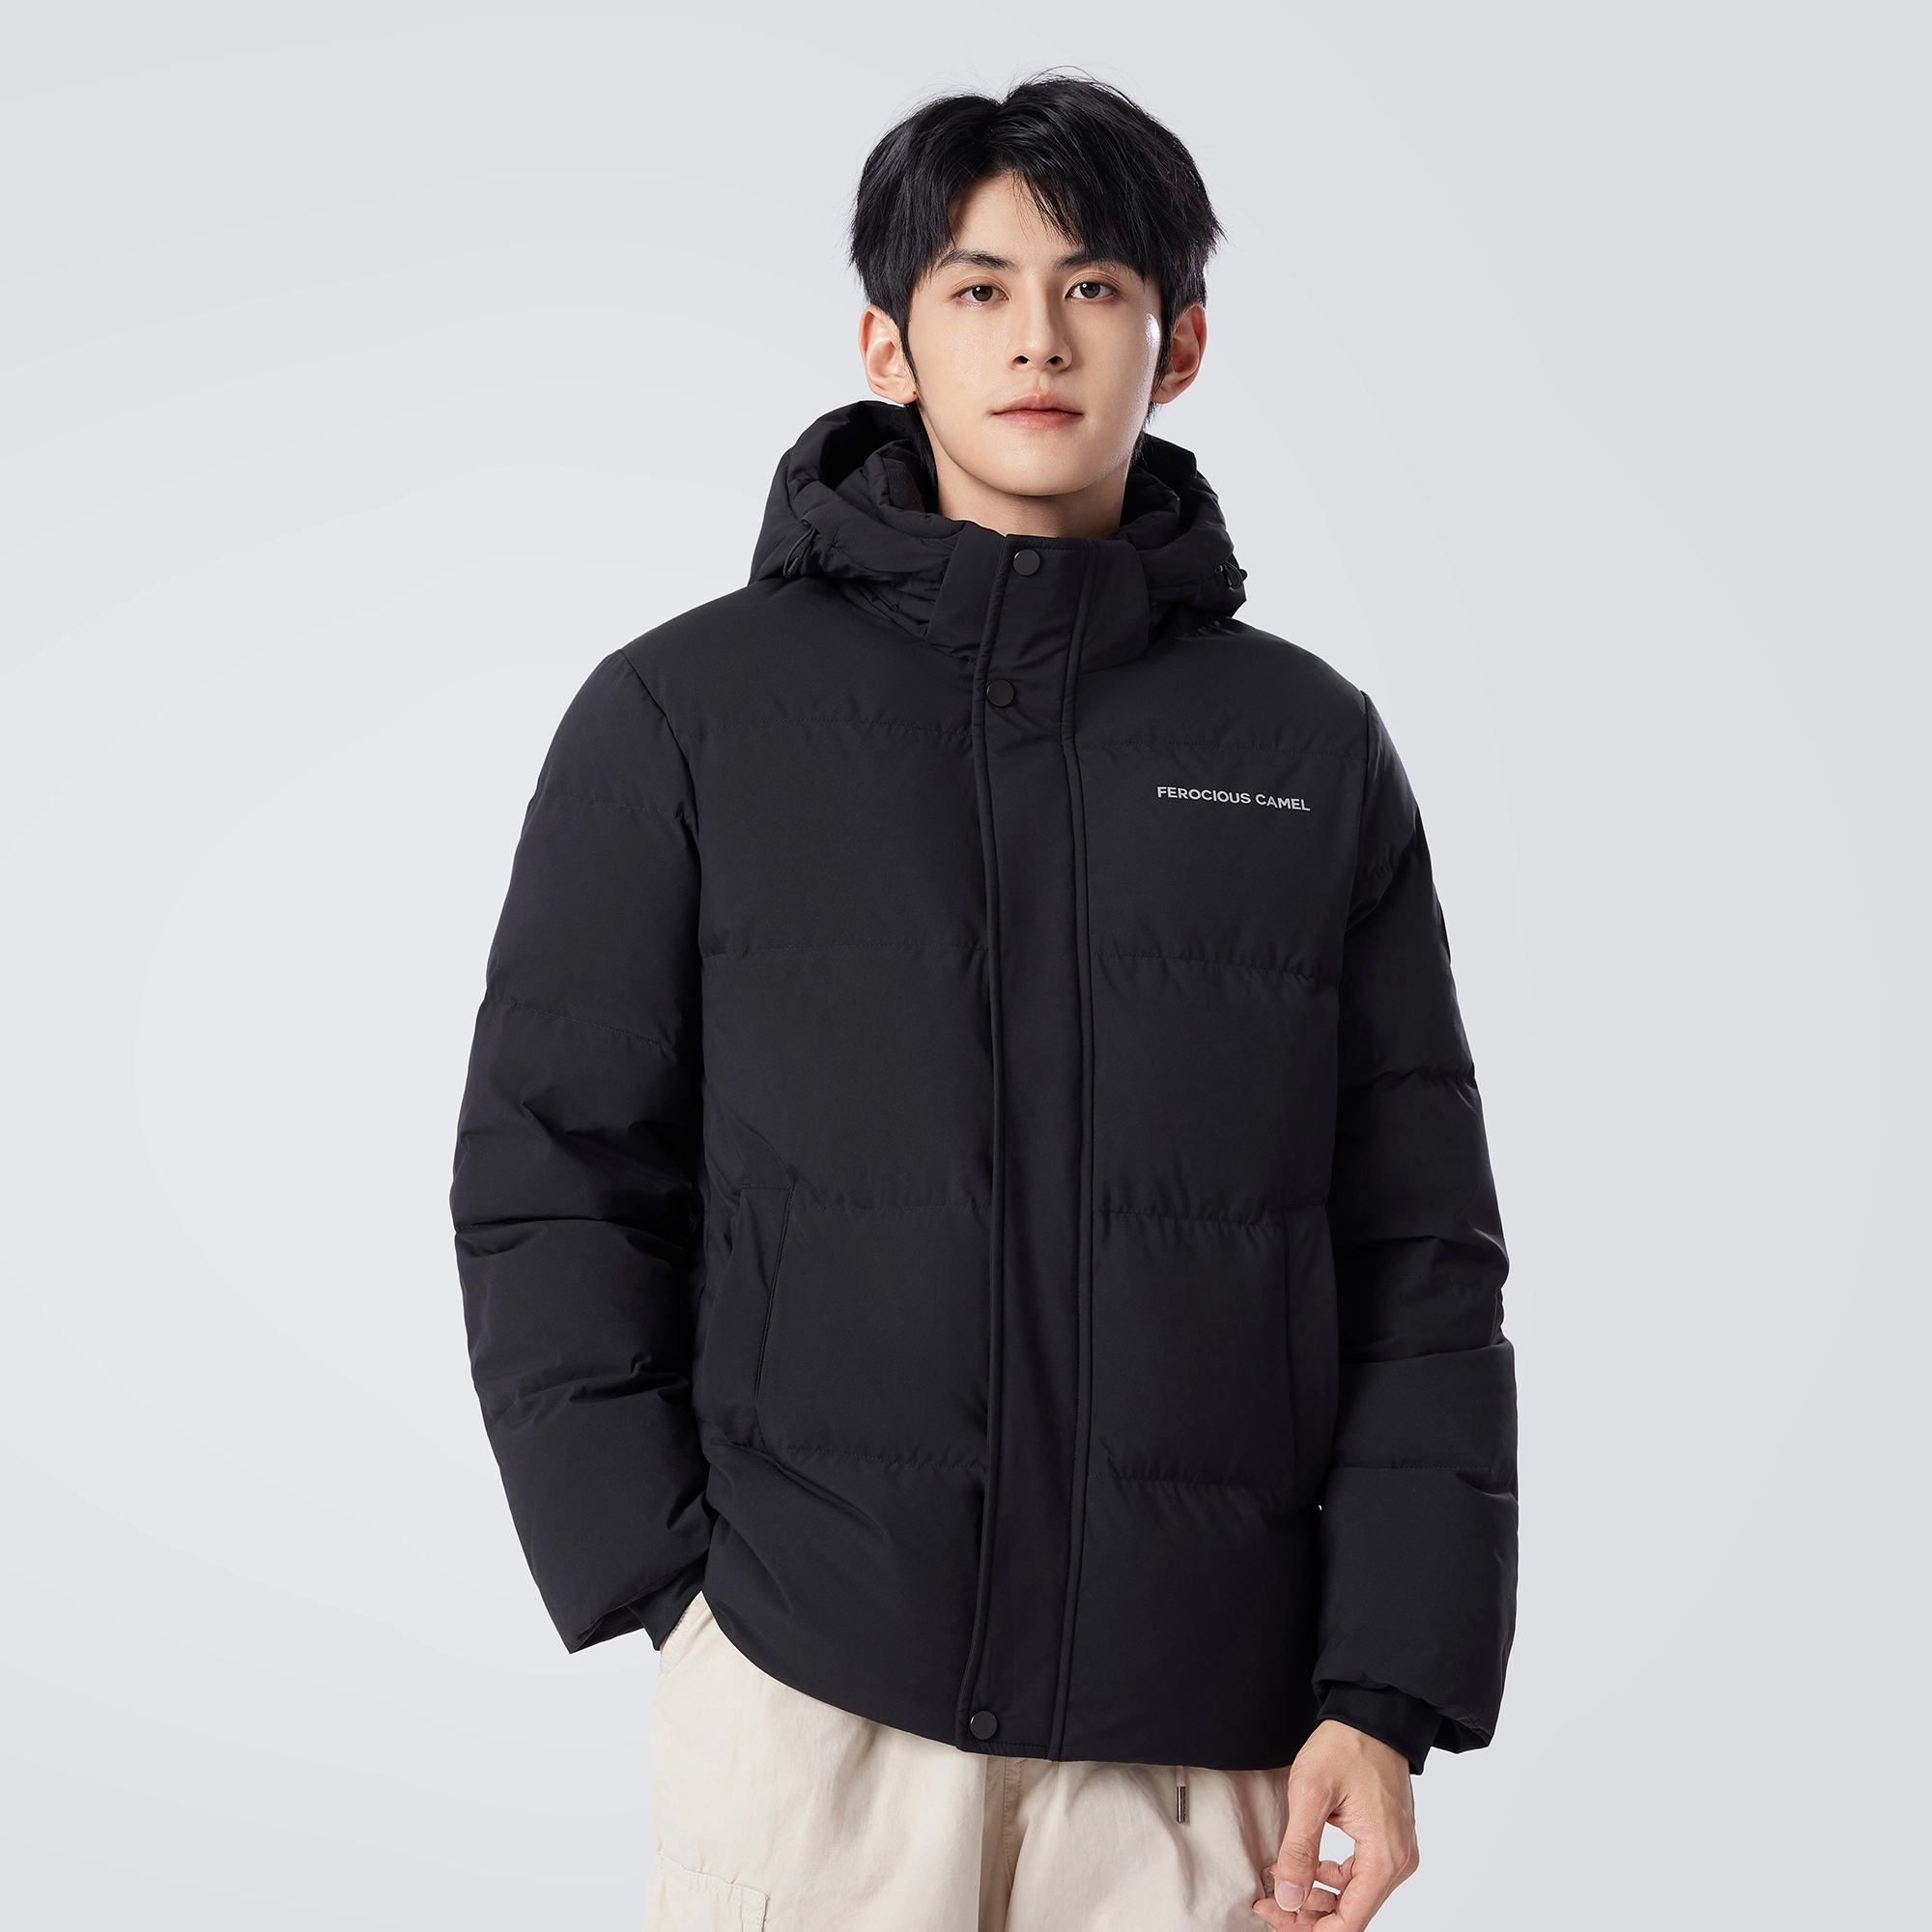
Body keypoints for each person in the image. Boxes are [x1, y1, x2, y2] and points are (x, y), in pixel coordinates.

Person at [450, 71, 1518, 1932]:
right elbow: (556, 1174)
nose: (1040, 337)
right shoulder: (687, 718)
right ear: (889, 342)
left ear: (1182, 343)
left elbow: (1416, 1246)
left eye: (1097, 287)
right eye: (979, 287)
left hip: (1202, 1739)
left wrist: (1386, 1689)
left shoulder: (1304, 748)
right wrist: (673, 1592)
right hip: (814, 1711)